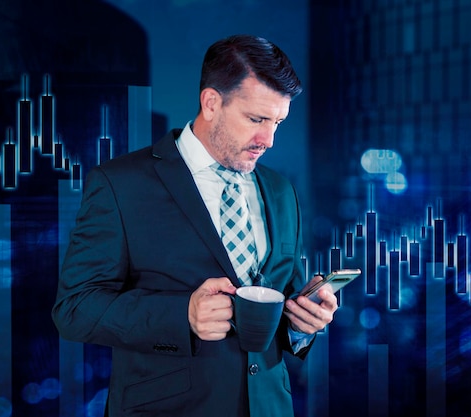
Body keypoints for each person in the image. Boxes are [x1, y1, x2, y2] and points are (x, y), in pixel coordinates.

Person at [52, 34, 338, 417]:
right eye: (256, 119)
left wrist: (304, 324)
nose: (267, 139)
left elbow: (282, 303)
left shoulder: (280, 189)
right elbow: (74, 309)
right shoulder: (121, 184)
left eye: (277, 122)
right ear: (211, 103)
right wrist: (182, 315)